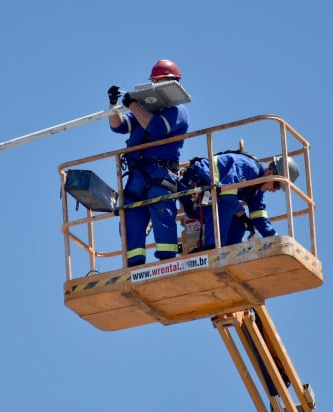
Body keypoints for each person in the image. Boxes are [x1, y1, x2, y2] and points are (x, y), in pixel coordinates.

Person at [107, 60, 190, 267]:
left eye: (159, 81)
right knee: (131, 222)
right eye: (154, 81)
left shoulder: (177, 111)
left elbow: (156, 128)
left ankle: (167, 264)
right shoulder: (144, 110)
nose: (155, 85)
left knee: (162, 218)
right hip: (137, 177)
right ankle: (134, 267)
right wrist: (114, 106)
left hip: (160, 175)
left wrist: (133, 105)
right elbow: (119, 126)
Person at [178, 151, 299, 250]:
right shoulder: (248, 167)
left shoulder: (256, 186)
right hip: (194, 188)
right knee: (228, 208)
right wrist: (241, 214)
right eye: (276, 186)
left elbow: (258, 214)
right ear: (270, 173)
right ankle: (212, 249)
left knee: (239, 223)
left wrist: (274, 238)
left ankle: (228, 253)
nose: (273, 191)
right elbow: (226, 192)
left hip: (208, 195)